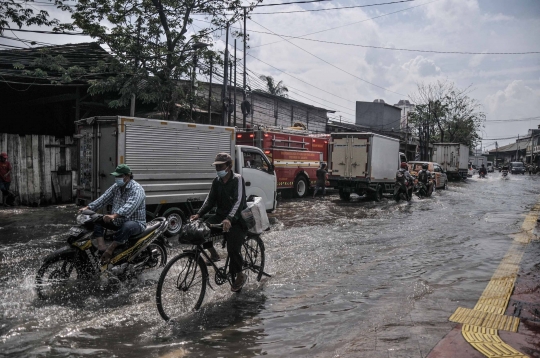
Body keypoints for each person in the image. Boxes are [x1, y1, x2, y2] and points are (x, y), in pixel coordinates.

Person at [190, 153, 248, 292]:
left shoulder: (238, 179)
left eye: (220, 166)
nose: (218, 169)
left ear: (228, 166)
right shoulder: (216, 181)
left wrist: (229, 218)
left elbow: (238, 202)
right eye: (216, 167)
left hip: (238, 219)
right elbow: (210, 200)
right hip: (221, 216)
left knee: (233, 248)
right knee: (201, 230)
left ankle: (240, 275)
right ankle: (214, 255)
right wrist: (199, 214)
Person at [79, 164, 146, 264]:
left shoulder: (137, 189)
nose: (117, 178)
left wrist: (114, 215)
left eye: (119, 176)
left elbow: (130, 206)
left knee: (126, 227)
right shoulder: (116, 187)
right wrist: (88, 207)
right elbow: (103, 198)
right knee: (97, 219)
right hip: (118, 221)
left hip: (135, 223)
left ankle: (110, 250)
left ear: (127, 176)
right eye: (116, 176)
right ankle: (102, 248)